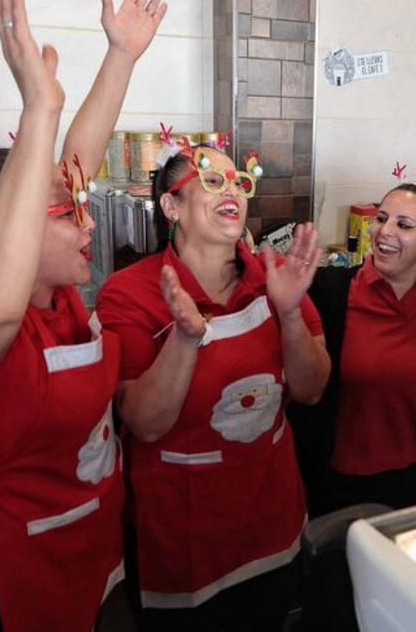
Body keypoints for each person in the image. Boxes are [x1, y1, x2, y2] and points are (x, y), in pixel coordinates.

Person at [0, 0, 168, 631]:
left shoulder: (64, 305)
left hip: (89, 552)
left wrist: (121, 56)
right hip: (9, 577)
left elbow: (72, 170)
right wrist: (38, 110)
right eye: (64, 215)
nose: (86, 223)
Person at [94, 137, 330, 629]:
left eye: (240, 182)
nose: (234, 191)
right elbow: (146, 422)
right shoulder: (130, 293)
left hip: (270, 520)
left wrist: (288, 314)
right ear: (170, 206)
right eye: (211, 179)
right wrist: (184, 337)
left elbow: (311, 390)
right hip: (183, 536)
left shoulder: (278, 276)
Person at [299, 175, 416, 515]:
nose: (384, 231)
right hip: (340, 484)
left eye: (404, 225)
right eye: (382, 218)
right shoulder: (330, 291)